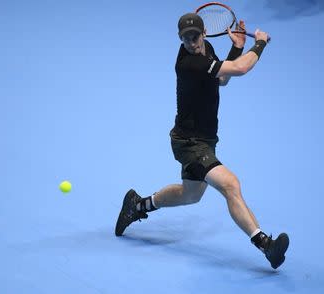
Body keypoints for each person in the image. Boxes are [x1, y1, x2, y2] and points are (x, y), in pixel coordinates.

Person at [115, 13, 289, 269]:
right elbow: (240, 69)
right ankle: (266, 245)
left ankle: (137, 205)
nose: (191, 42)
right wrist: (259, 43)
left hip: (205, 139)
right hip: (189, 142)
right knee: (230, 185)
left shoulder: (205, 49)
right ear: (180, 39)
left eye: (195, 36)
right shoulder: (189, 64)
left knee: (190, 194)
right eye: (185, 38)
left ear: (204, 33)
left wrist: (237, 46)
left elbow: (222, 80)